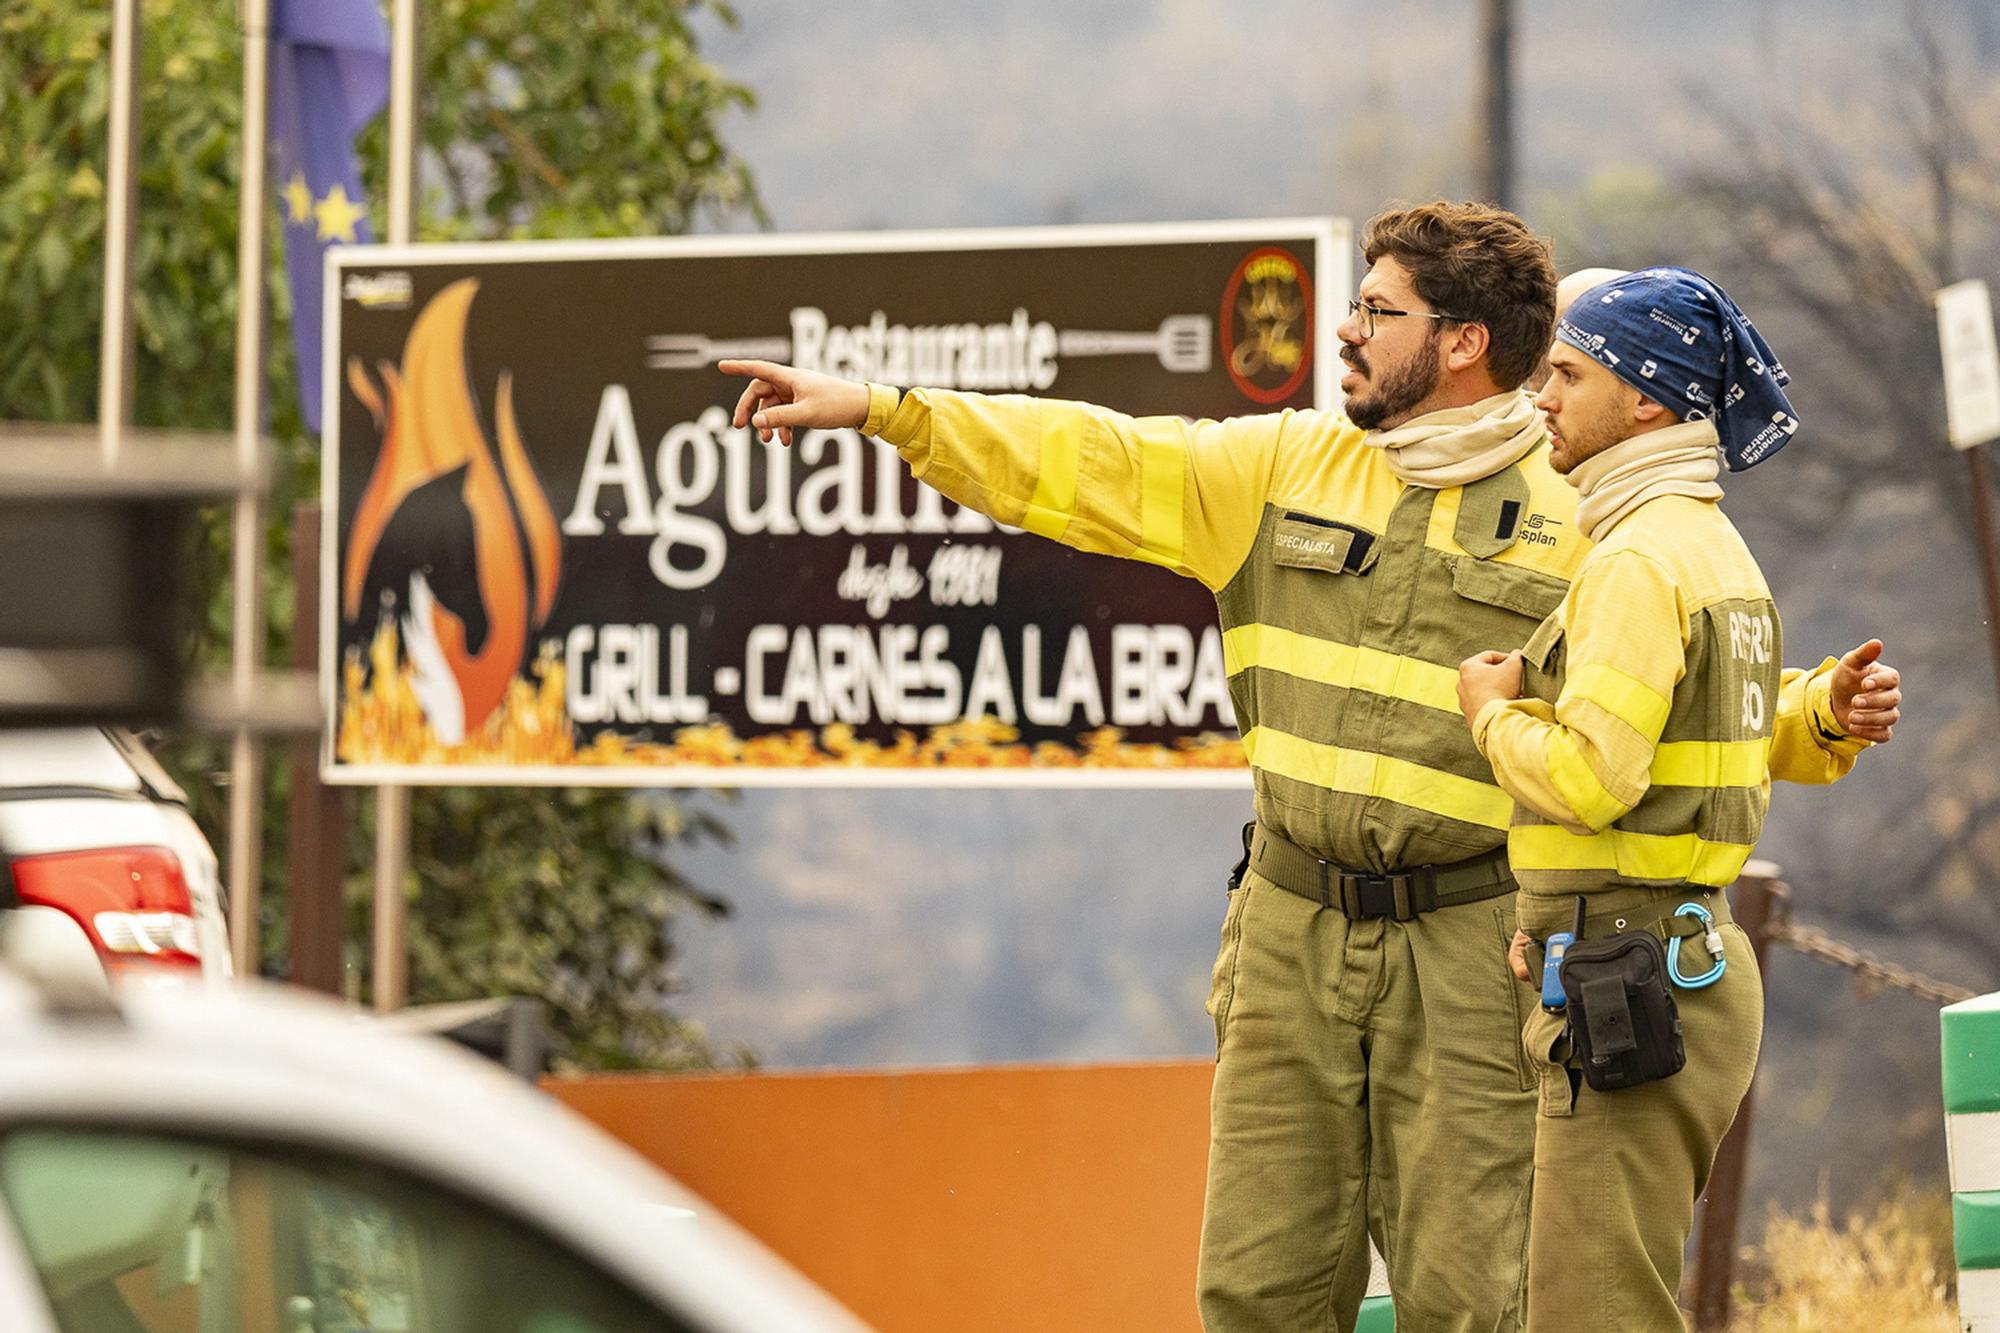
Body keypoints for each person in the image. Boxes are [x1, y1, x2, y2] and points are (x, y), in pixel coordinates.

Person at [722, 205, 1895, 1333]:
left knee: (1470, 1298)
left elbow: (1671, 704)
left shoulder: (1586, 505)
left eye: (1375, 310)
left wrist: (1817, 718)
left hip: (1477, 949)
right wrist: (883, 410)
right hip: (1288, 932)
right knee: (1257, 1291)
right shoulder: (1280, 465)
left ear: (1458, 342)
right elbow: (1084, 458)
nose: (1341, 328)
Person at [1456, 266, 1891, 1329]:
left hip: (1621, 976)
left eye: (1564, 373)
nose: (1538, 399)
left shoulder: (1635, 563)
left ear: (1644, 399)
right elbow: (1711, 741)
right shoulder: (1710, 548)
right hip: (1679, 968)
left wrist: (1486, 713)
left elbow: (1591, 776)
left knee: (1591, 1308)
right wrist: (1822, 713)